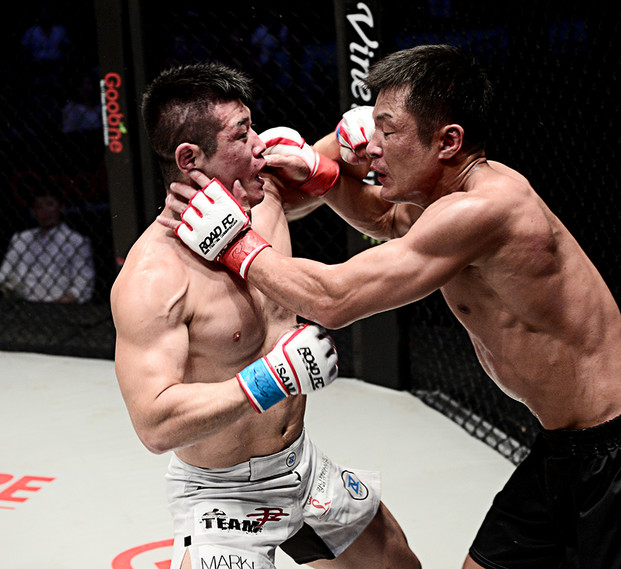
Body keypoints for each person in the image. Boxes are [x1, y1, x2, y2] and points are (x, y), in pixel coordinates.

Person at [160, 45, 621, 569]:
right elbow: (388, 221)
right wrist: (324, 175)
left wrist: (235, 244)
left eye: (388, 131)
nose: (371, 148)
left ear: (448, 141)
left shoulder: (485, 208)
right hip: (565, 447)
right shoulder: (451, 200)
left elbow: (333, 299)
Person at [110, 62, 421, 569]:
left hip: (302, 465)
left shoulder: (266, 195)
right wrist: (269, 379)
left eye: (252, 126)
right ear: (190, 158)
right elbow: (155, 424)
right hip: (221, 495)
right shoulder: (153, 278)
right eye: (241, 134)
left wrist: (350, 140)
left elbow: (342, 172)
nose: (260, 144)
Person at [0, 182, 94, 303]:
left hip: (58, 305)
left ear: (61, 207)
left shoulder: (76, 241)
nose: (44, 211)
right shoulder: (21, 239)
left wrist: (64, 301)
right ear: (34, 211)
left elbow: (84, 281)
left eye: (49, 204)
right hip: (21, 304)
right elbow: (4, 273)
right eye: (39, 206)